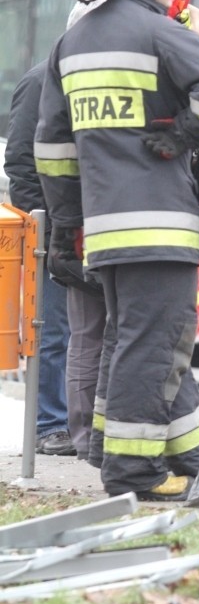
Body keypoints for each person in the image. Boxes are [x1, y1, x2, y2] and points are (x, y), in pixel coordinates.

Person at [35, 0, 199, 501]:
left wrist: (68, 227)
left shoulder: (71, 42)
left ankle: (181, 449)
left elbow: (51, 148)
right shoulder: (157, 30)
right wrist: (183, 135)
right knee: (153, 344)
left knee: (141, 339)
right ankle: (131, 471)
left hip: (103, 231)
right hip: (161, 226)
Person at [4, 64, 74, 456]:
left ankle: (69, 423)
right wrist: (43, 228)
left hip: (81, 226)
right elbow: (19, 163)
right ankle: (49, 424)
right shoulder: (40, 80)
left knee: (80, 332)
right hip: (54, 230)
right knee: (52, 329)